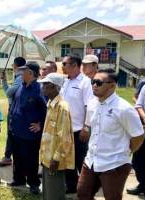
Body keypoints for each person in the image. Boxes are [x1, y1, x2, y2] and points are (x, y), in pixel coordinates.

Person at [77, 69, 145, 200]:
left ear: (112, 85)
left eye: (98, 82)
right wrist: (85, 129)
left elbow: (138, 135)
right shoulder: (92, 103)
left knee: (112, 197)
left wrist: (128, 150)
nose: (94, 85)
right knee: (83, 193)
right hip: (91, 160)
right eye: (93, 81)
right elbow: (89, 125)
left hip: (114, 163)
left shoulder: (124, 109)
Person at [8, 62, 47, 195]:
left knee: (31, 159)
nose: (21, 73)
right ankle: (18, 179)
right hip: (16, 130)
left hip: (30, 133)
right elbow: (14, 104)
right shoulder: (21, 86)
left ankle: (34, 183)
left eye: (24, 71)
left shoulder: (40, 89)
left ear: (30, 73)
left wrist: (40, 125)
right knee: (17, 157)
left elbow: (46, 110)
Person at [38, 73, 75, 200]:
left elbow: (65, 137)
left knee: (55, 194)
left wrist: (56, 158)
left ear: (54, 87)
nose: (42, 88)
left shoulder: (62, 107)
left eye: (45, 85)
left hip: (55, 160)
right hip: (46, 157)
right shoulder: (50, 104)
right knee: (47, 193)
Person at [60, 55, 93, 194]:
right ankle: (72, 185)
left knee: (81, 159)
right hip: (65, 128)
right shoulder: (66, 81)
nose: (62, 66)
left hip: (79, 129)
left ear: (74, 65)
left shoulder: (85, 82)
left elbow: (89, 107)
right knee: (68, 159)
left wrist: (86, 127)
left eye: (64, 64)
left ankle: (88, 187)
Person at [0, 57, 26, 167]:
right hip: (17, 108)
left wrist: (4, 81)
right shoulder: (20, 77)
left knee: (11, 133)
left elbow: (9, 93)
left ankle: (8, 157)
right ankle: (9, 156)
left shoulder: (19, 78)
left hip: (15, 109)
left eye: (13, 66)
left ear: (15, 66)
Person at [127, 83, 145, 195]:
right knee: (138, 161)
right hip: (144, 127)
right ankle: (143, 185)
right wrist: (144, 117)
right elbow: (139, 105)